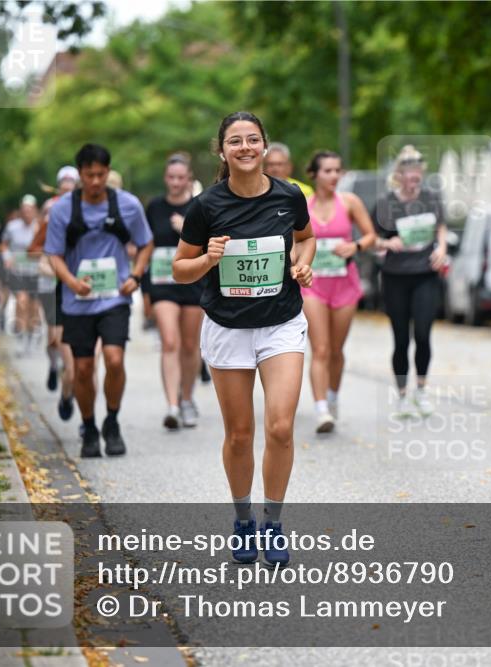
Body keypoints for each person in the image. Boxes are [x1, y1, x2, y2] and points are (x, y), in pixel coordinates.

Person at [173, 111, 314, 566]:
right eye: (235, 141)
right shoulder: (206, 206)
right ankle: (242, 520)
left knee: (280, 427)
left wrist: (302, 263)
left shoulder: (289, 196)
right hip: (228, 327)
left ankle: (273, 522)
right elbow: (180, 269)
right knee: (239, 435)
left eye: (253, 139)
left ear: (265, 146)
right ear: (222, 151)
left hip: (281, 323)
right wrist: (207, 260)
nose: (245, 147)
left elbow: (306, 237)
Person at [44, 144, 153, 458]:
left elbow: (146, 243)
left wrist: (135, 275)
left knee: (114, 360)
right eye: (89, 175)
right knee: (82, 368)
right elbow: (54, 254)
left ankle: (112, 421)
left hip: (114, 298)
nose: (95, 181)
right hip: (77, 301)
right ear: (80, 174)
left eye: (101, 175)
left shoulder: (127, 205)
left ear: (108, 172)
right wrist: (71, 283)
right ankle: (89, 427)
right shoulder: (64, 209)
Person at [301, 150, 377, 432]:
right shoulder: (303, 206)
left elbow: (371, 236)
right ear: (314, 174)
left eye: (337, 170)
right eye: (328, 171)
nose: (334, 176)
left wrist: (354, 246)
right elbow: (294, 240)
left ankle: (332, 396)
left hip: (345, 284)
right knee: (320, 348)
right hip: (313, 286)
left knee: (336, 349)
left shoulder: (349, 202)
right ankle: (321, 409)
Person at [371, 145, 448, 417]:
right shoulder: (385, 203)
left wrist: (441, 248)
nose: (414, 180)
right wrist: (386, 243)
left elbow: (440, 226)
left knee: (423, 335)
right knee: (401, 339)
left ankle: (422, 391)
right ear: (399, 176)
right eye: (409, 176)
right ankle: (403, 395)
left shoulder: (431, 198)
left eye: (418, 175)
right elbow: (371, 238)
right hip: (395, 277)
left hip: (425, 274)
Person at [146, 152, 204, 430]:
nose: (176, 182)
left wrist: (187, 230)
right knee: (170, 342)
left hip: (193, 283)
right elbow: (145, 246)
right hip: (163, 282)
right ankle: (171, 405)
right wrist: (144, 289)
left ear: (189, 178)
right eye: (171, 177)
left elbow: (211, 246)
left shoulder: (199, 207)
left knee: (190, 345)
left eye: (181, 177)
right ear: (165, 178)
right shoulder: (154, 207)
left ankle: (187, 398)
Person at [30, 166, 80, 415]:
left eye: (73, 186)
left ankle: (68, 376)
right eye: (64, 186)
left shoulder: (89, 209)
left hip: (78, 284)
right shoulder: (51, 211)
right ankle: (55, 366)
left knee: (72, 343)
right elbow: (34, 248)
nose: (68, 191)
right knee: (53, 338)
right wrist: (49, 259)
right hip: (52, 282)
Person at [1, 195, 42, 349]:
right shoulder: (12, 226)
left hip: (35, 272)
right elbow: (4, 245)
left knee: (34, 307)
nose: (27, 213)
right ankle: (21, 333)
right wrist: (7, 258)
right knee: (21, 300)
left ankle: (31, 333)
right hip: (18, 271)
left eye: (29, 210)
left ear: (34, 210)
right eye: (24, 210)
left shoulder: (40, 227)